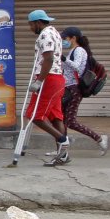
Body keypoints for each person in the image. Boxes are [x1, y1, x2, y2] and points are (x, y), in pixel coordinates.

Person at [25, 10, 70, 165]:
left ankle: (63, 141)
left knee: (34, 116)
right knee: (55, 116)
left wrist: (39, 81)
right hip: (58, 79)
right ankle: (63, 155)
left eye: (31, 25)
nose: (30, 28)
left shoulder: (44, 34)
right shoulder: (55, 33)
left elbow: (48, 58)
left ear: (37, 22)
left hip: (49, 79)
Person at [58, 27, 110, 156]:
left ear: (73, 38)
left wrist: (63, 59)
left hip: (75, 89)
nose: (63, 41)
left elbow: (76, 66)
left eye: (65, 38)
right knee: (61, 119)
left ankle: (99, 138)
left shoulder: (79, 50)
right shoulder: (72, 51)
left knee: (70, 121)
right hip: (68, 87)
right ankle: (61, 149)